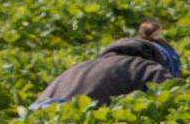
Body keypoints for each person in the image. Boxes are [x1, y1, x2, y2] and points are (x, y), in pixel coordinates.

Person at [31, 21, 180, 109]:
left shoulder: (81, 66)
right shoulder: (146, 68)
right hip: (72, 118)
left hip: (35, 118)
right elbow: (177, 101)